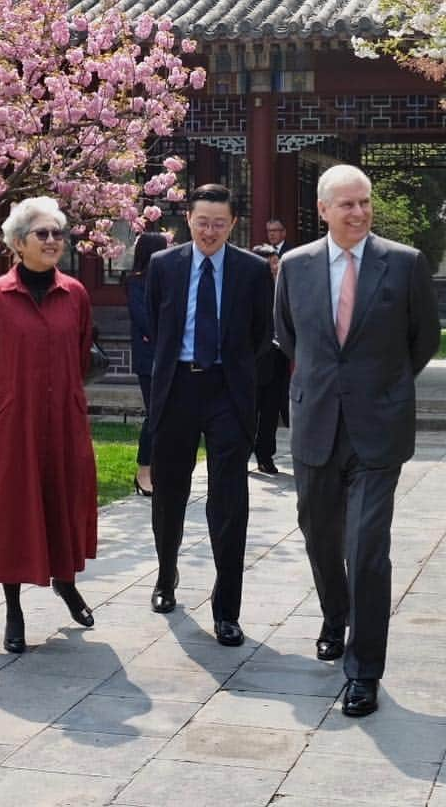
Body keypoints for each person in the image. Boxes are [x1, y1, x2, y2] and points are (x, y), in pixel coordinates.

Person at [274, 164, 440, 718]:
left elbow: (425, 339)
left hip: (378, 428)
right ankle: (333, 615)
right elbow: (288, 335)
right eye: (346, 204)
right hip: (316, 423)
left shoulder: (405, 263)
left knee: (367, 550)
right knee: (320, 535)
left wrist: (383, 386)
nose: (358, 213)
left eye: (364, 202)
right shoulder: (294, 267)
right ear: (322, 210)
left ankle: (364, 670)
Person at [0, 196, 97, 654]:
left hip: (63, 422)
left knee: (63, 501)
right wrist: (1, 405)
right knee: (13, 514)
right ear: (18, 243)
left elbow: (80, 353)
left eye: (58, 233)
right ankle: (14, 609)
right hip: (12, 425)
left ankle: (66, 581)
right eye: (43, 234)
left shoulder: (74, 293)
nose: (53, 241)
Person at [146, 184, 272, 646]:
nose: (210, 231)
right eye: (202, 222)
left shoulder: (254, 270)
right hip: (177, 386)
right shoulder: (164, 265)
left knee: (229, 498)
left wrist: (234, 371)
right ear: (189, 220)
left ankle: (227, 609)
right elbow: (156, 328)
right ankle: (165, 576)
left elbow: (261, 334)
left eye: (220, 223)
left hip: (227, 390)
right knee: (169, 492)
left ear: (233, 224)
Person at [126, 232, 168, 495]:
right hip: (149, 358)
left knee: (168, 417)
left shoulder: (170, 279)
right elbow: (145, 320)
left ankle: (161, 470)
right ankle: (144, 470)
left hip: (171, 356)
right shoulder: (135, 282)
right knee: (155, 414)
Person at [251, 243, 289, 475]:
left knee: (271, 410)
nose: (275, 267)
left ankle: (266, 455)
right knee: (249, 410)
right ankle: (244, 453)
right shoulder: (247, 288)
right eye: (271, 262)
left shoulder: (284, 286)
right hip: (255, 360)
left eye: (277, 262)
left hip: (279, 357)